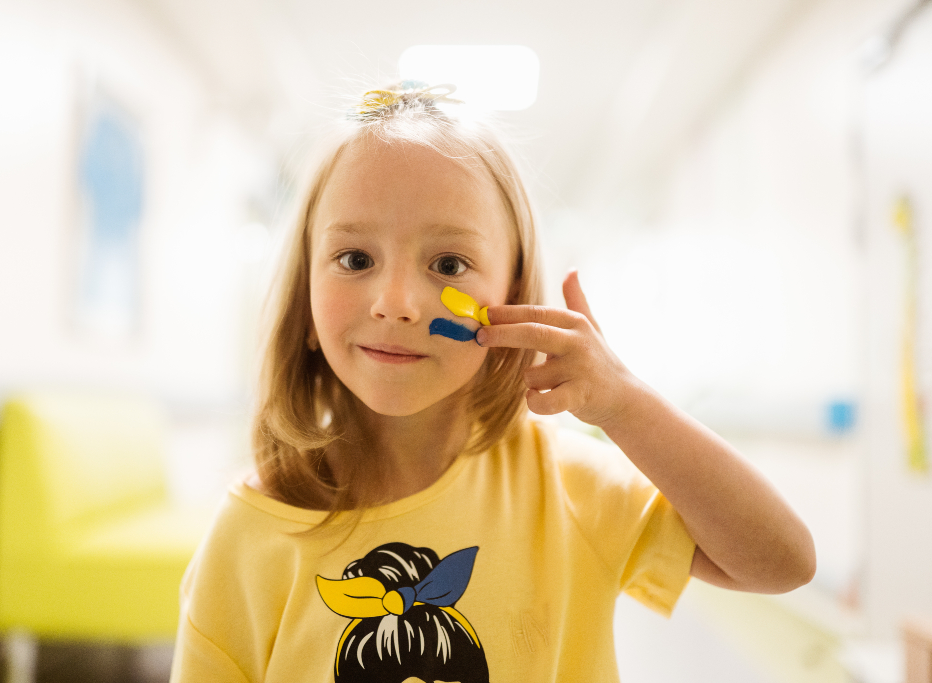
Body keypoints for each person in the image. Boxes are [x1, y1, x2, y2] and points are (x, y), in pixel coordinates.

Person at [169, 82, 816, 683]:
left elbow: (783, 559)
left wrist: (625, 403)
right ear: (306, 304)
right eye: (354, 258)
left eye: (448, 263)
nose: (396, 302)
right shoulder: (249, 534)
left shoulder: (568, 488)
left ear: (511, 297)